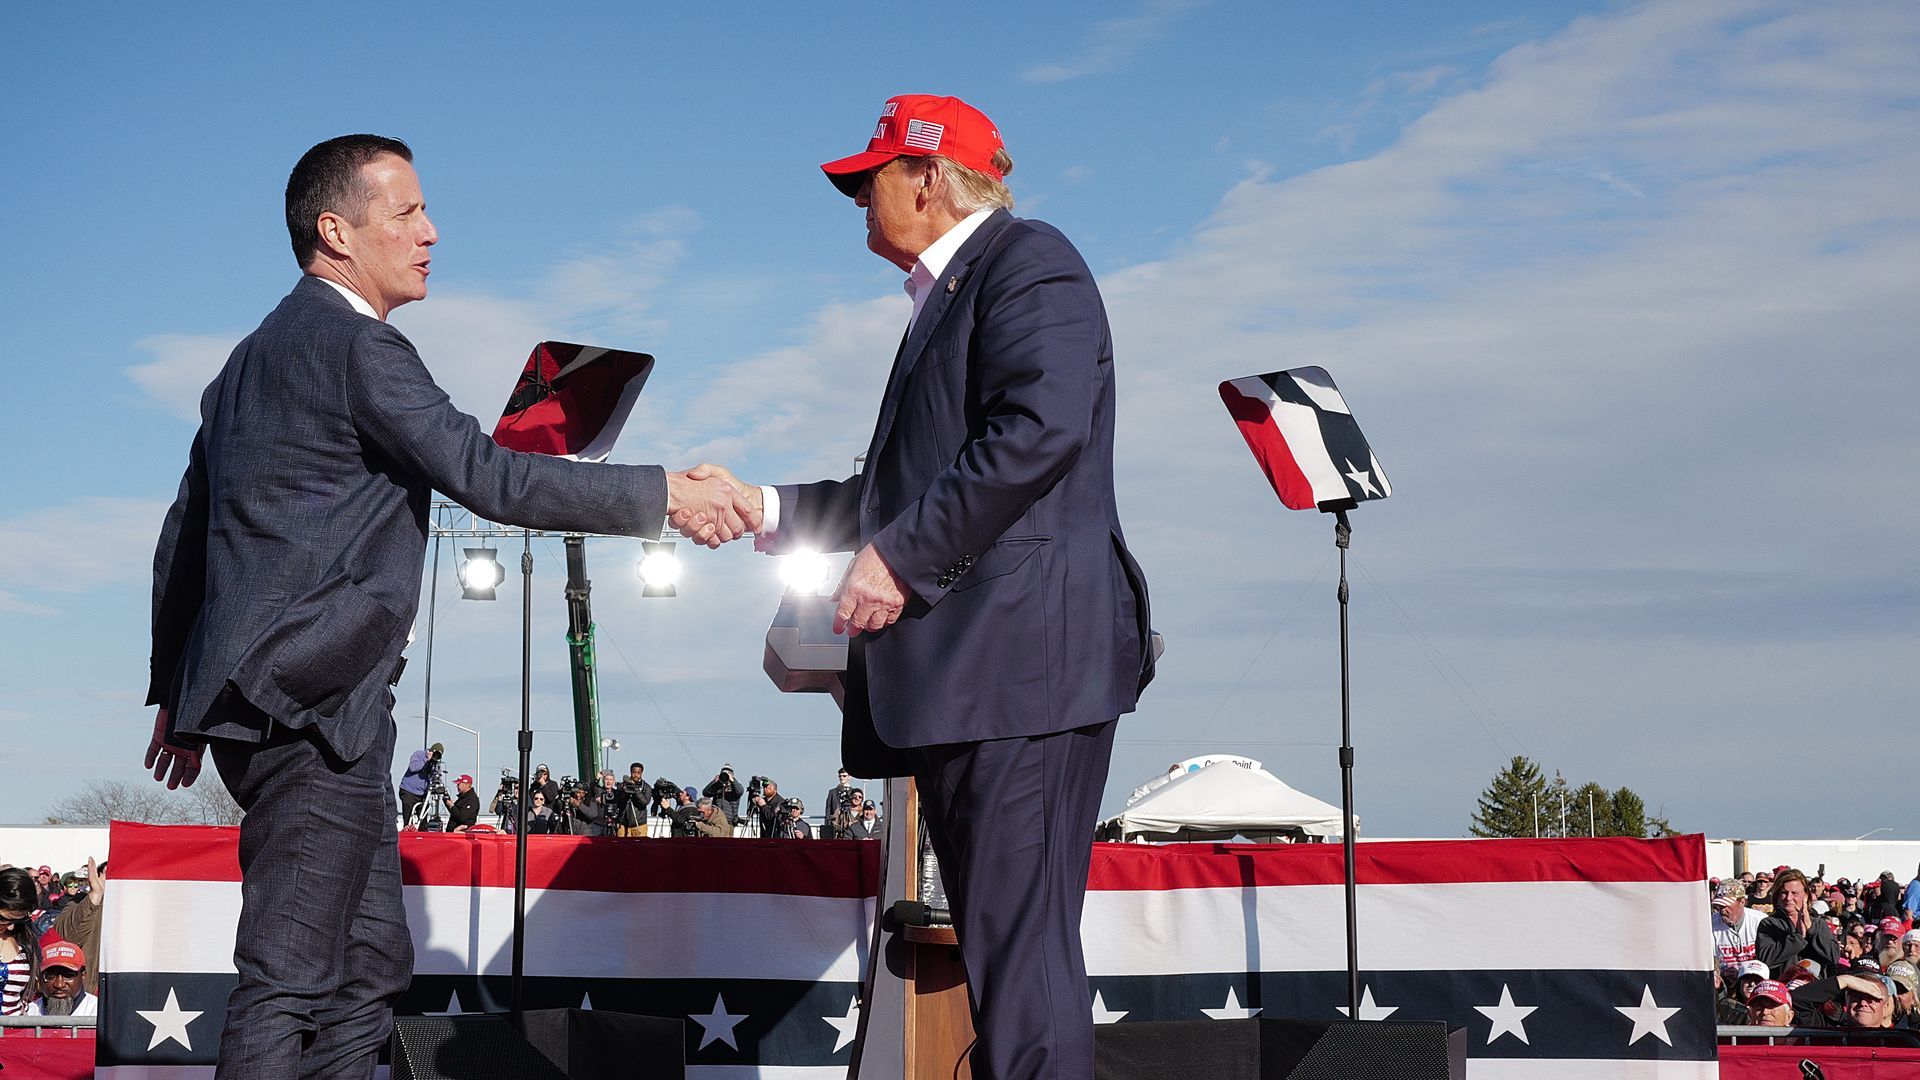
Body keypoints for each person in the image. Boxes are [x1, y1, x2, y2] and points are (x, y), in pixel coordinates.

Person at [139, 134, 758, 1079]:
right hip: (310, 705)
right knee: (293, 979)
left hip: (269, 703)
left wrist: (178, 698)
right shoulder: (357, 348)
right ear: (335, 231)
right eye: (407, 213)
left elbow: (186, 534)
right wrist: (665, 495)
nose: (432, 232)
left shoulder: (246, 360)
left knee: (366, 971)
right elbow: (485, 474)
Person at [716, 93, 1155, 1080]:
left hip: (1023, 672)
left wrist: (903, 557)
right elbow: (894, 493)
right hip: (979, 680)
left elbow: (1040, 429)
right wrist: (765, 506)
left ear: (928, 176)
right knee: (1010, 955)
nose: (856, 201)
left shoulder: (1029, 260)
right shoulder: (952, 298)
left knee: (1021, 956)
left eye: (867, 179)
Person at [1758, 868, 1840, 978]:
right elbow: (1765, 959)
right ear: (1777, 896)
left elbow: (1833, 956)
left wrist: (1811, 928)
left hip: (1814, 990)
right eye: (1784, 893)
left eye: (1794, 893)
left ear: (1805, 895)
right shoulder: (1769, 924)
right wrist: (1798, 938)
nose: (1789, 898)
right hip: (1783, 989)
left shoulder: (1819, 923)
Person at [1, 867, 40, 1016]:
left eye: (18, 920)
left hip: (18, 1033)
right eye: (3, 919)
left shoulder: (26, 938)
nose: (10, 926)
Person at [24, 942, 95, 1018]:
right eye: (50, 976)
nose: (59, 985)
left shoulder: (99, 1013)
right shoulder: (29, 1013)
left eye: (68, 975)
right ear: (39, 977)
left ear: (83, 975)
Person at [1712, 880, 1764, 968]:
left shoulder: (1760, 921)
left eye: (1726, 905)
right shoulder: (1711, 925)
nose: (1722, 909)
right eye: (1719, 905)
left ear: (1742, 902)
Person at [397, 742, 442, 827]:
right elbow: (413, 768)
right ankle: (408, 835)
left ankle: (422, 836)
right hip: (408, 791)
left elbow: (434, 777)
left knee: (423, 821)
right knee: (408, 819)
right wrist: (426, 759)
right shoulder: (419, 754)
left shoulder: (434, 763)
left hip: (422, 794)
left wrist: (435, 768)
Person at [614, 763, 650, 837]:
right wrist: (624, 792)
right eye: (634, 772)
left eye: (638, 773)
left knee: (640, 847)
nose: (636, 775)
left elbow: (644, 802)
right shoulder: (623, 785)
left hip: (639, 824)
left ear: (642, 773)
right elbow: (618, 802)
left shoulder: (646, 787)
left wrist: (635, 790)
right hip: (623, 823)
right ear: (630, 772)